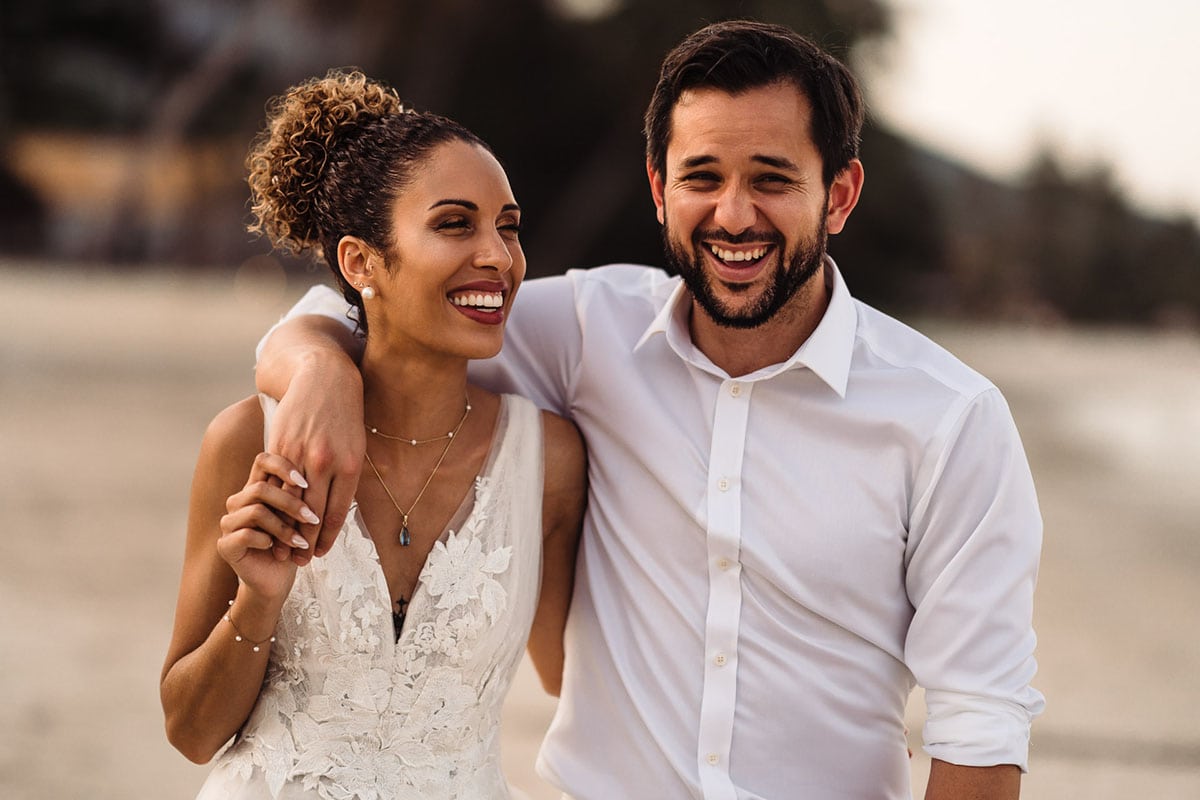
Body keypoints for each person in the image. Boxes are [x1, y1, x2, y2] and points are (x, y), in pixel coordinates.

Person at [256, 21, 1044, 800]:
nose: (734, 216)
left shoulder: (950, 420)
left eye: (772, 178)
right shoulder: (585, 334)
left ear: (838, 195)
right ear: (660, 190)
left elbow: (981, 725)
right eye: (702, 177)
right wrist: (324, 368)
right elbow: (371, 310)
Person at [160, 70, 586, 799]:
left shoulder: (547, 459)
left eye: (508, 227)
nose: (499, 256)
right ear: (360, 262)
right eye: (456, 224)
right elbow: (193, 734)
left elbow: (568, 673)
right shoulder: (246, 441)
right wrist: (258, 600)